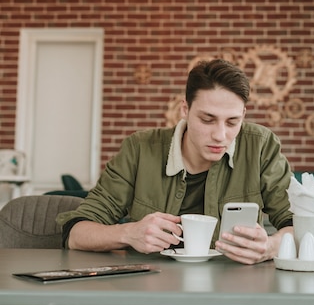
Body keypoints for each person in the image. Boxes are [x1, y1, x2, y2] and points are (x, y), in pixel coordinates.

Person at [57, 58, 294, 264]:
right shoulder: (139, 149)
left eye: (232, 122)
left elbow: (301, 226)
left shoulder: (261, 146)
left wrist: (271, 247)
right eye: (207, 119)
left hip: (237, 291)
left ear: (243, 115)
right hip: (151, 290)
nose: (220, 135)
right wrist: (128, 233)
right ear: (185, 109)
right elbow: (76, 234)